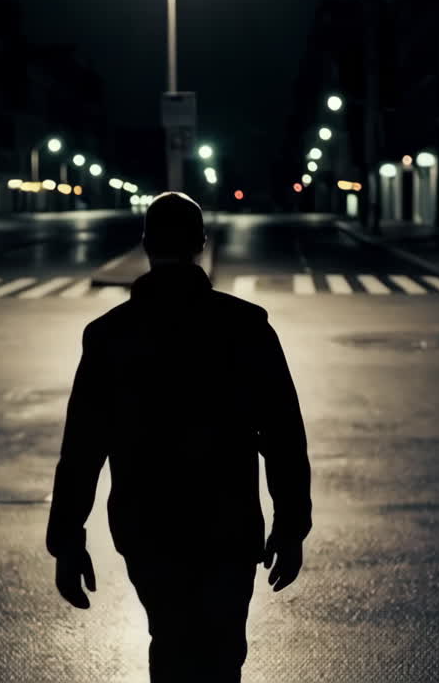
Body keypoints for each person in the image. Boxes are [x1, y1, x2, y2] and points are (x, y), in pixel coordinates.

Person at [46, 192, 312, 683]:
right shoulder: (245, 326)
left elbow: (82, 448)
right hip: (227, 522)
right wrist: (291, 524)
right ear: (201, 244)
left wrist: (67, 539)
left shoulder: (108, 335)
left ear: (145, 244)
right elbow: (283, 434)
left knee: (169, 639)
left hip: (148, 524)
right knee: (223, 647)